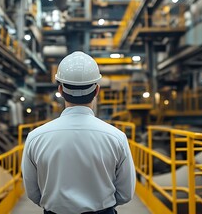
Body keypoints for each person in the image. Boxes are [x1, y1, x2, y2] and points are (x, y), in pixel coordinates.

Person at [22, 51, 136, 214]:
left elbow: (33, 193)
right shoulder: (116, 137)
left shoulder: (36, 137)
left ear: (60, 90)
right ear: (97, 90)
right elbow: (125, 193)